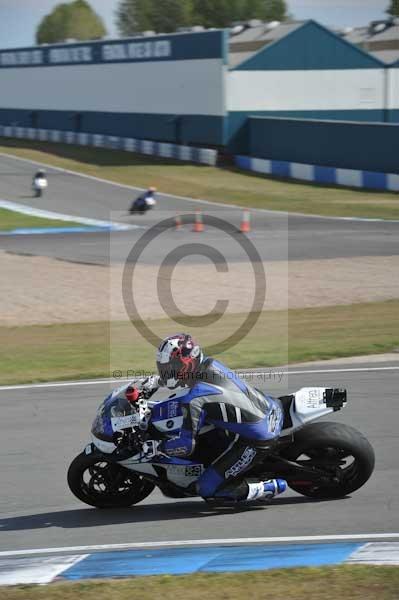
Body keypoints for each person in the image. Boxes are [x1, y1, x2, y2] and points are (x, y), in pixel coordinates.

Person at [125, 333, 287, 504]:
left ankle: (269, 487)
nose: (165, 372)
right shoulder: (208, 364)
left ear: (185, 364)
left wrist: (157, 447)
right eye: (163, 368)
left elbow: (186, 446)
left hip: (258, 437)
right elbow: (184, 382)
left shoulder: (194, 400)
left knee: (207, 488)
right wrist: (156, 382)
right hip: (269, 407)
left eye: (168, 368)